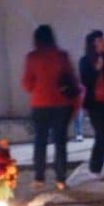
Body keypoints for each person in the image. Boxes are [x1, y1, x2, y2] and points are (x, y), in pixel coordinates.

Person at [22, 24, 77, 189]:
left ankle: (39, 177)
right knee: (60, 142)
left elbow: (26, 84)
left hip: (40, 104)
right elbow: (71, 78)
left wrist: (37, 88)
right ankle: (61, 179)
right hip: (61, 104)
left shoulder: (32, 57)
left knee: (40, 141)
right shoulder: (62, 56)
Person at [80, 30, 104, 178]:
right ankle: (95, 166)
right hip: (95, 104)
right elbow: (85, 82)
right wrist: (96, 70)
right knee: (101, 135)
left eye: (103, 40)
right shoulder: (85, 61)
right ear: (93, 45)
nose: (103, 44)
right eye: (99, 42)